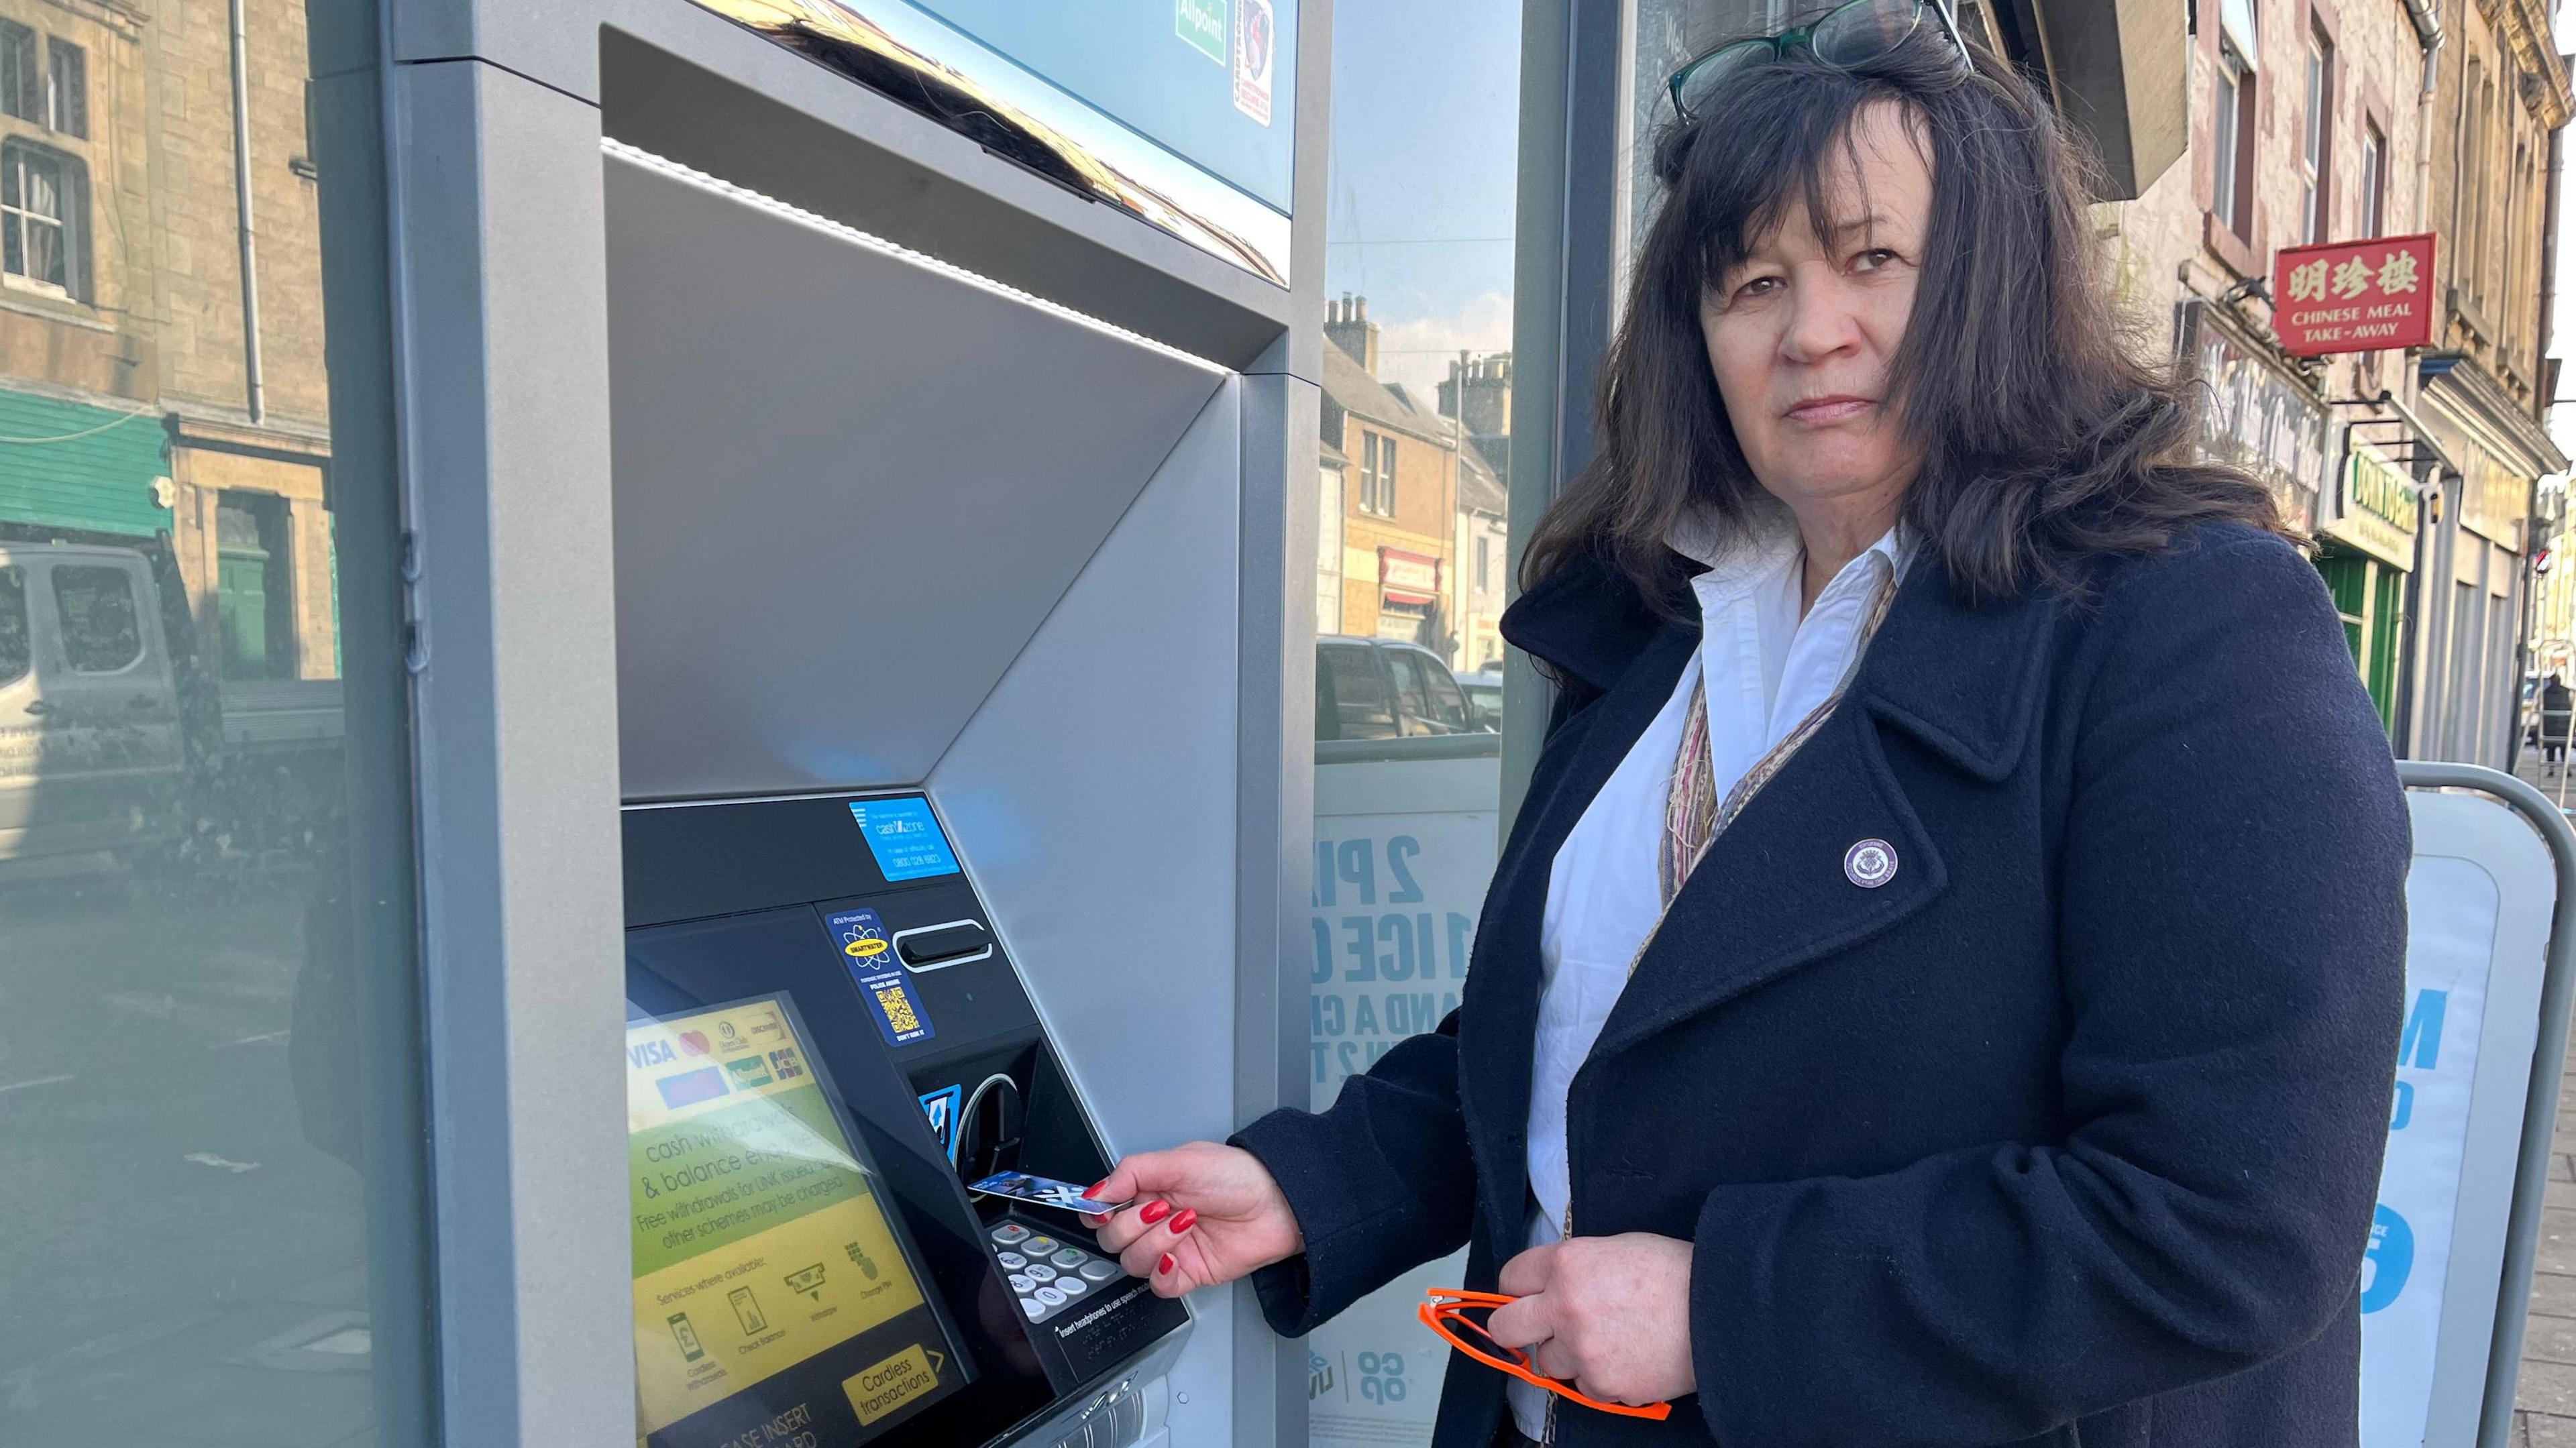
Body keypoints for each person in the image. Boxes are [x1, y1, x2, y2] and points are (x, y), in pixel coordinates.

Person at [1084, 9, 2408, 1447]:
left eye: (1870, 258)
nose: (1810, 331)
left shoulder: (2189, 625)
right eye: (1752, 281)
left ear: (1990, 279)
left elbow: (2235, 1214)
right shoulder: (1664, 618)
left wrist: (1731, 1307)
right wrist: (1317, 1182)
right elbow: (1591, 1036)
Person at [2543, 673, 2571, 772]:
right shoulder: (2566, 692)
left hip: (2550, 726)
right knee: (2564, 750)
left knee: (2551, 749)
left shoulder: (2545, 693)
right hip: (2564, 726)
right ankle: (2566, 769)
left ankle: (2551, 769)